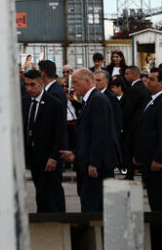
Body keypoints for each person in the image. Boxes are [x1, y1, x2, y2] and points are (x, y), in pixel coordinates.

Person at [60, 68, 121, 212]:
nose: (72, 86)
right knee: (88, 202)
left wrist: (94, 163)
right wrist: (75, 153)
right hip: (87, 162)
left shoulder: (97, 100)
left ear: (87, 81)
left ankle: (96, 234)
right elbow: (86, 135)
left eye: (75, 82)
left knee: (93, 206)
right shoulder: (89, 100)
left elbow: (100, 135)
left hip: (96, 167)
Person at [22, 70, 66, 212]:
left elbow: (59, 133)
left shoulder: (54, 104)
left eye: (32, 85)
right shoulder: (24, 102)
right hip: (33, 156)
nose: (29, 88)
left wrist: (54, 157)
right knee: (40, 190)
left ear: (41, 83)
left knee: (53, 191)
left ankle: (58, 218)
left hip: (49, 156)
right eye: (26, 85)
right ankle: (43, 216)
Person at [134, 68, 162, 211]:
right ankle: (160, 229)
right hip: (148, 158)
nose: (148, 82)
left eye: (152, 79)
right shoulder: (152, 100)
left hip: (158, 160)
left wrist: (158, 158)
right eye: (147, 78)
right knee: (154, 198)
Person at [121, 66, 149, 179]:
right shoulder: (142, 87)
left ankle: (130, 175)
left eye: (127, 74)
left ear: (133, 74)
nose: (125, 76)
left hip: (133, 126)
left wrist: (122, 120)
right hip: (140, 125)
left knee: (131, 150)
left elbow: (128, 109)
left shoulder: (134, 89)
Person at [94, 70, 123, 144]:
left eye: (98, 80)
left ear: (106, 82)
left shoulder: (111, 97)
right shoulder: (93, 95)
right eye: (94, 80)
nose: (95, 82)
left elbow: (116, 119)